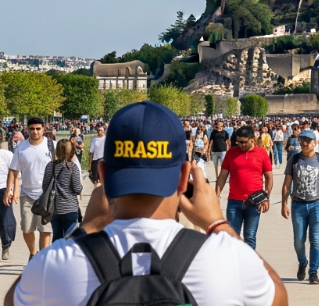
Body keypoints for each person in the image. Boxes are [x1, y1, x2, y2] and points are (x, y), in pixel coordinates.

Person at [8, 101, 287, 306]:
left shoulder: (57, 264)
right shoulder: (225, 260)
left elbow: (13, 300)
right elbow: (279, 297)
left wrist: (87, 227)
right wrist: (217, 223)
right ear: (182, 177)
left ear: (103, 177)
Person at [281, 129, 319, 285]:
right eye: (302, 141)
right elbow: (287, 184)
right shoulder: (294, 159)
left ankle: (313, 272)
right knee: (298, 240)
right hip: (298, 204)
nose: (304, 144)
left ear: (315, 143)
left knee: (315, 240)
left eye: (307, 141)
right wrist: (284, 203)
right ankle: (303, 262)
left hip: (317, 204)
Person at [4, 118, 55, 260]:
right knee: (27, 228)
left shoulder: (51, 145)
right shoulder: (21, 148)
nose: (35, 131)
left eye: (38, 128)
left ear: (44, 129)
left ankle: (42, 258)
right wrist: (9, 190)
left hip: (47, 194)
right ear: (27, 129)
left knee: (45, 229)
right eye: (32, 129)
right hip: (27, 194)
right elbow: (13, 170)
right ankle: (33, 253)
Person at [215, 126, 273, 250]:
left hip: (254, 202)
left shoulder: (262, 153)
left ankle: (250, 266)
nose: (241, 145)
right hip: (234, 202)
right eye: (238, 142)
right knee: (233, 235)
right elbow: (222, 177)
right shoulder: (231, 153)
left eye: (244, 142)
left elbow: (269, 177)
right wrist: (216, 195)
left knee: (250, 236)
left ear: (252, 139)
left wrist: (266, 197)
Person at [41, 140, 83, 240]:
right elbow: (77, 189)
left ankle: (56, 255)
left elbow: (45, 186)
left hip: (54, 209)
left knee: (57, 237)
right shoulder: (73, 167)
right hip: (70, 208)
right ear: (71, 151)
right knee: (70, 239)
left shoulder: (50, 166)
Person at [0, 146, 15, 260]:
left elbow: (15, 173)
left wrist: (11, 190)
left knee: (6, 220)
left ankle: (6, 246)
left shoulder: (6, 155)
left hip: (4, 190)